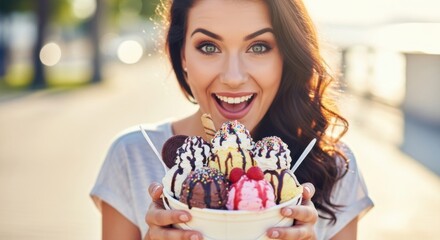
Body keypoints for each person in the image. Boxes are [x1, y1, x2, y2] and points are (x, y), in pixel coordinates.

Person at [90, 0, 374, 239]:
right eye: (209, 47)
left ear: (286, 57)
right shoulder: (133, 157)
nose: (233, 77)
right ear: (182, 57)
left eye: (259, 47)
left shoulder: (333, 168)